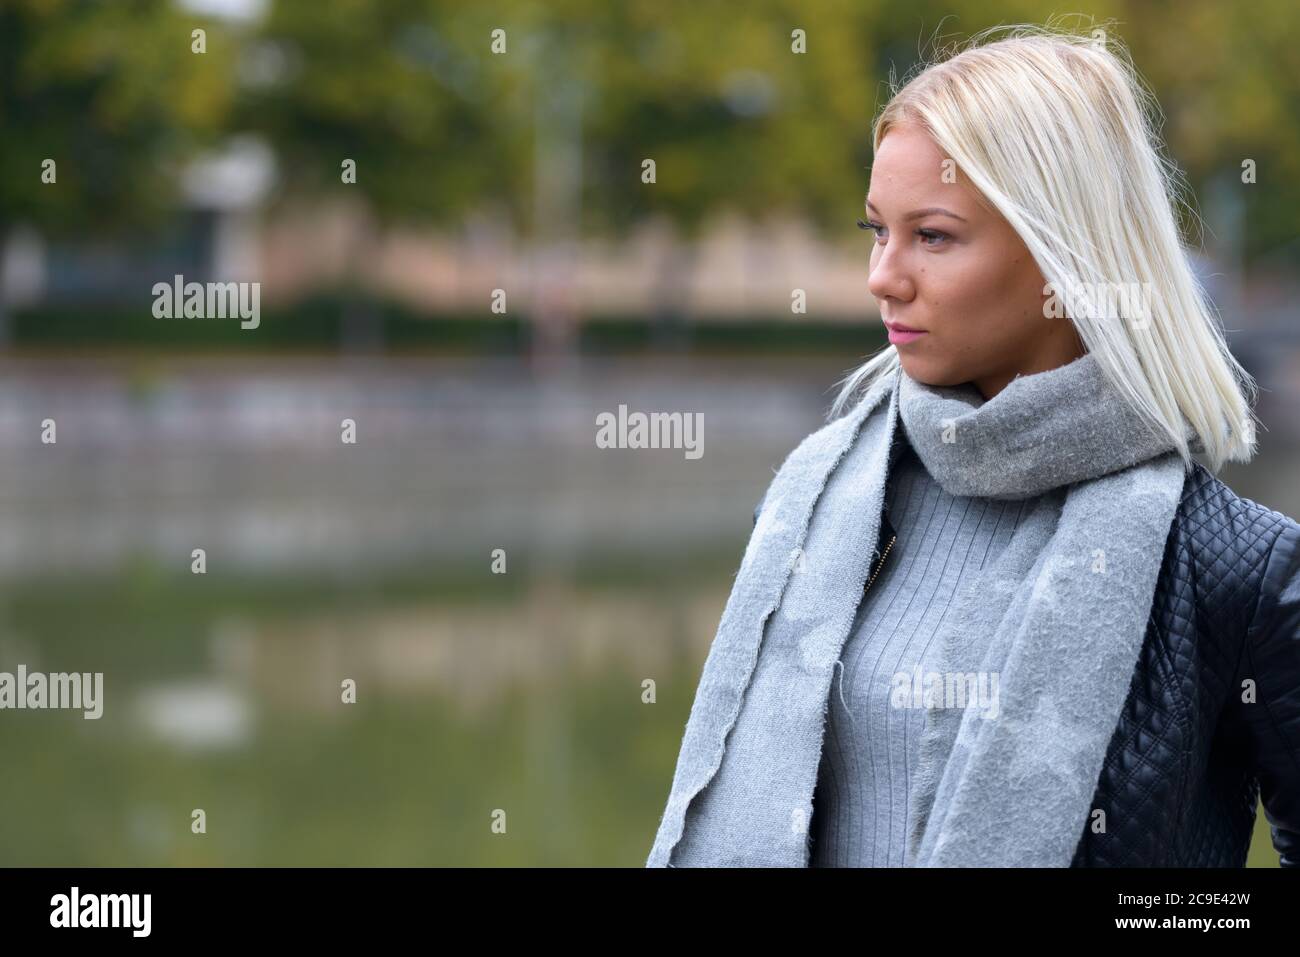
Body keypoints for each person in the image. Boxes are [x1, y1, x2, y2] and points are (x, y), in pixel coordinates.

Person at [647, 24, 1300, 868]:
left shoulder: (1236, 569)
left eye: (933, 236)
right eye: (875, 228)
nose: (883, 273)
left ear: (1064, 255)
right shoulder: (823, 500)